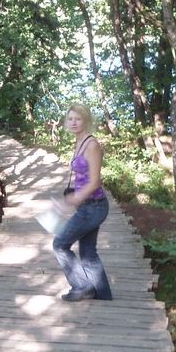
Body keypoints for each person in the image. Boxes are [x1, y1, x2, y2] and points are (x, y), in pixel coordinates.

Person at [52, 103, 113, 302]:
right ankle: (103, 295)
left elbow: (94, 181)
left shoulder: (92, 145)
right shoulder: (79, 142)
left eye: (78, 119)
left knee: (60, 244)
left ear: (86, 120)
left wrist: (75, 199)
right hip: (87, 206)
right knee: (88, 252)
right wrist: (73, 199)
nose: (73, 122)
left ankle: (82, 286)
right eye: (70, 119)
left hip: (94, 206)